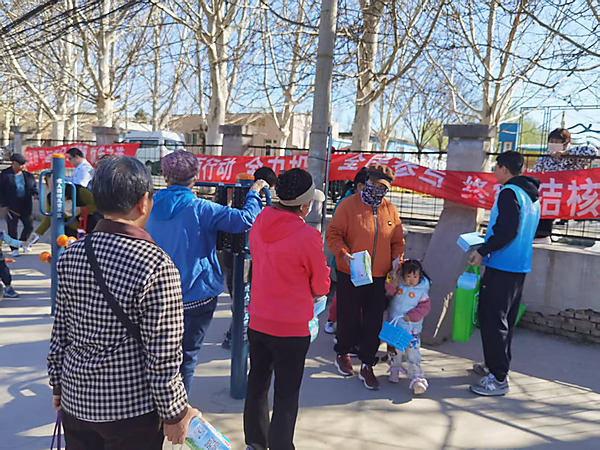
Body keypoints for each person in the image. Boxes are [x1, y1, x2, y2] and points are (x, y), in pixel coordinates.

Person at [47, 156, 198, 448]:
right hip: (131, 409)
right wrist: (174, 412)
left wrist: (57, 383)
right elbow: (163, 352)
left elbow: (61, 329)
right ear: (143, 202)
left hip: (76, 400)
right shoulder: (156, 264)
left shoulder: (72, 254)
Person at [145, 149, 268, 395]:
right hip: (197, 296)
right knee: (187, 356)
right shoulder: (201, 208)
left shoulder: (147, 206)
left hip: (157, 295)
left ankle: (155, 405)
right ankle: (179, 407)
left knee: (156, 356)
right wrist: (254, 193)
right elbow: (245, 219)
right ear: (195, 177)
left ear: (165, 177)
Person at [244, 168, 330, 450]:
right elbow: (321, 285)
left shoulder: (259, 221)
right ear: (305, 205)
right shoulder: (308, 236)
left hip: (258, 320)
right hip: (292, 329)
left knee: (257, 386)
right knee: (286, 395)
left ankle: (255, 443)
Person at [326, 164, 405, 391]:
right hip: (351, 271)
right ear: (366, 182)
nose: (378, 190)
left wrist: (397, 262)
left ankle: (367, 364)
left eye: (384, 188)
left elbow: (398, 241)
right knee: (348, 316)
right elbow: (333, 234)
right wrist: (343, 253)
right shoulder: (348, 206)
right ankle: (342, 352)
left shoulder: (390, 210)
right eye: (375, 184)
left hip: (379, 275)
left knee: (373, 321)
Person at [468, 151, 541, 396]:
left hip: (502, 265)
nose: (494, 172)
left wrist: (483, 249)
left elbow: (508, 230)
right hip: (519, 265)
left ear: (505, 169)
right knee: (504, 320)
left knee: (493, 320)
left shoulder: (509, 192)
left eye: (496, 167)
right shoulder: (531, 195)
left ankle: (498, 377)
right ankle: (496, 365)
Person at [221, 166, 278, 350]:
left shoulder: (239, 199)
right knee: (245, 300)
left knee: (239, 299)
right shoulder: (256, 205)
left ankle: (235, 334)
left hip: (232, 259)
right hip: (248, 260)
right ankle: (236, 336)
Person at [532, 128, 598, 243]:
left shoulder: (573, 156)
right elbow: (535, 172)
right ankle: (540, 234)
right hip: (547, 190)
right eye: (551, 141)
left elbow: (593, 152)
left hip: (567, 192)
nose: (553, 144)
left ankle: (543, 235)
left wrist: (567, 153)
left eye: (556, 142)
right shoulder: (546, 156)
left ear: (565, 143)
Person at [324, 167, 368, 335]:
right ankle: (334, 322)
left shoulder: (365, 202)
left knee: (353, 296)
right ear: (360, 186)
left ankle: (346, 327)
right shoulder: (346, 204)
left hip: (361, 259)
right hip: (346, 258)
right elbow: (335, 233)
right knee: (344, 295)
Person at [383, 259, 431, 394]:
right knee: (394, 350)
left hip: (411, 328)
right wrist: (392, 282)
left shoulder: (422, 292)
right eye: (408, 276)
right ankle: (394, 369)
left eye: (415, 277)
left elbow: (425, 308)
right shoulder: (399, 285)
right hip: (396, 325)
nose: (411, 280)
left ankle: (417, 377)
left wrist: (413, 316)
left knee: (413, 352)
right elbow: (389, 291)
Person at [0, 153, 38, 257]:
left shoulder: (28, 175)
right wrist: (3, 204)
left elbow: (33, 187)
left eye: (23, 164)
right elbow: (1, 190)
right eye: (20, 164)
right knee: (12, 229)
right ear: (13, 164)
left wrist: (35, 194)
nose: (22, 166)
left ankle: (22, 243)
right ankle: (14, 248)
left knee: (29, 226)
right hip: (11, 206)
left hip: (25, 206)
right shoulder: (5, 175)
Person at [0, 231, 27, 298]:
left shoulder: (1, 235)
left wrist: (20, 243)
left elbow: (10, 241)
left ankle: (8, 288)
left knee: (5, 273)